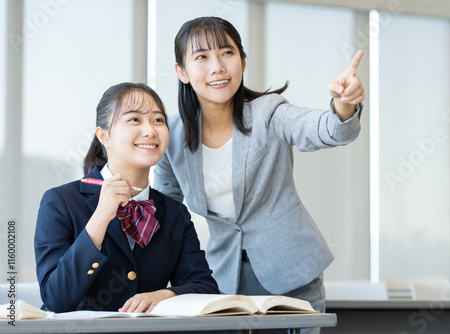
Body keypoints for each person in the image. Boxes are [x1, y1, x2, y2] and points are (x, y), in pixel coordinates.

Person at [153, 16, 364, 327]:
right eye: (202, 57)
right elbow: (163, 210)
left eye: (227, 53)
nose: (217, 67)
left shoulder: (269, 112)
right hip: (224, 280)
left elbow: (324, 129)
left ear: (242, 61)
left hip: (293, 274)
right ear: (181, 71)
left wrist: (343, 105)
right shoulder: (171, 134)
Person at [34, 82, 219, 313]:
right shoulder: (60, 202)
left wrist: (164, 295)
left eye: (158, 120)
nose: (150, 130)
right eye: (134, 119)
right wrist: (100, 217)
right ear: (104, 136)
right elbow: (56, 298)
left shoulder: (174, 213)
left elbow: (206, 288)